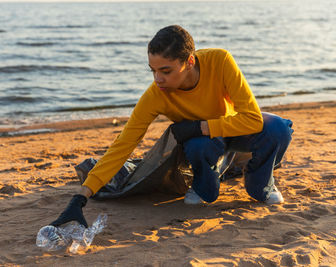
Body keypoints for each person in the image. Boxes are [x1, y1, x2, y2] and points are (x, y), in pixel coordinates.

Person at [49, 25, 293, 228]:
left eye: (165, 71)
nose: (158, 79)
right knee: (198, 150)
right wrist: (81, 197)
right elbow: (123, 145)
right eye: (153, 71)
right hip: (205, 145)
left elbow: (252, 119)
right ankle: (203, 184)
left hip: (235, 130)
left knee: (279, 129)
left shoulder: (220, 60)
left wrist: (198, 127)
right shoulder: (156, 95)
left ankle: (260, 183)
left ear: (189, 61)